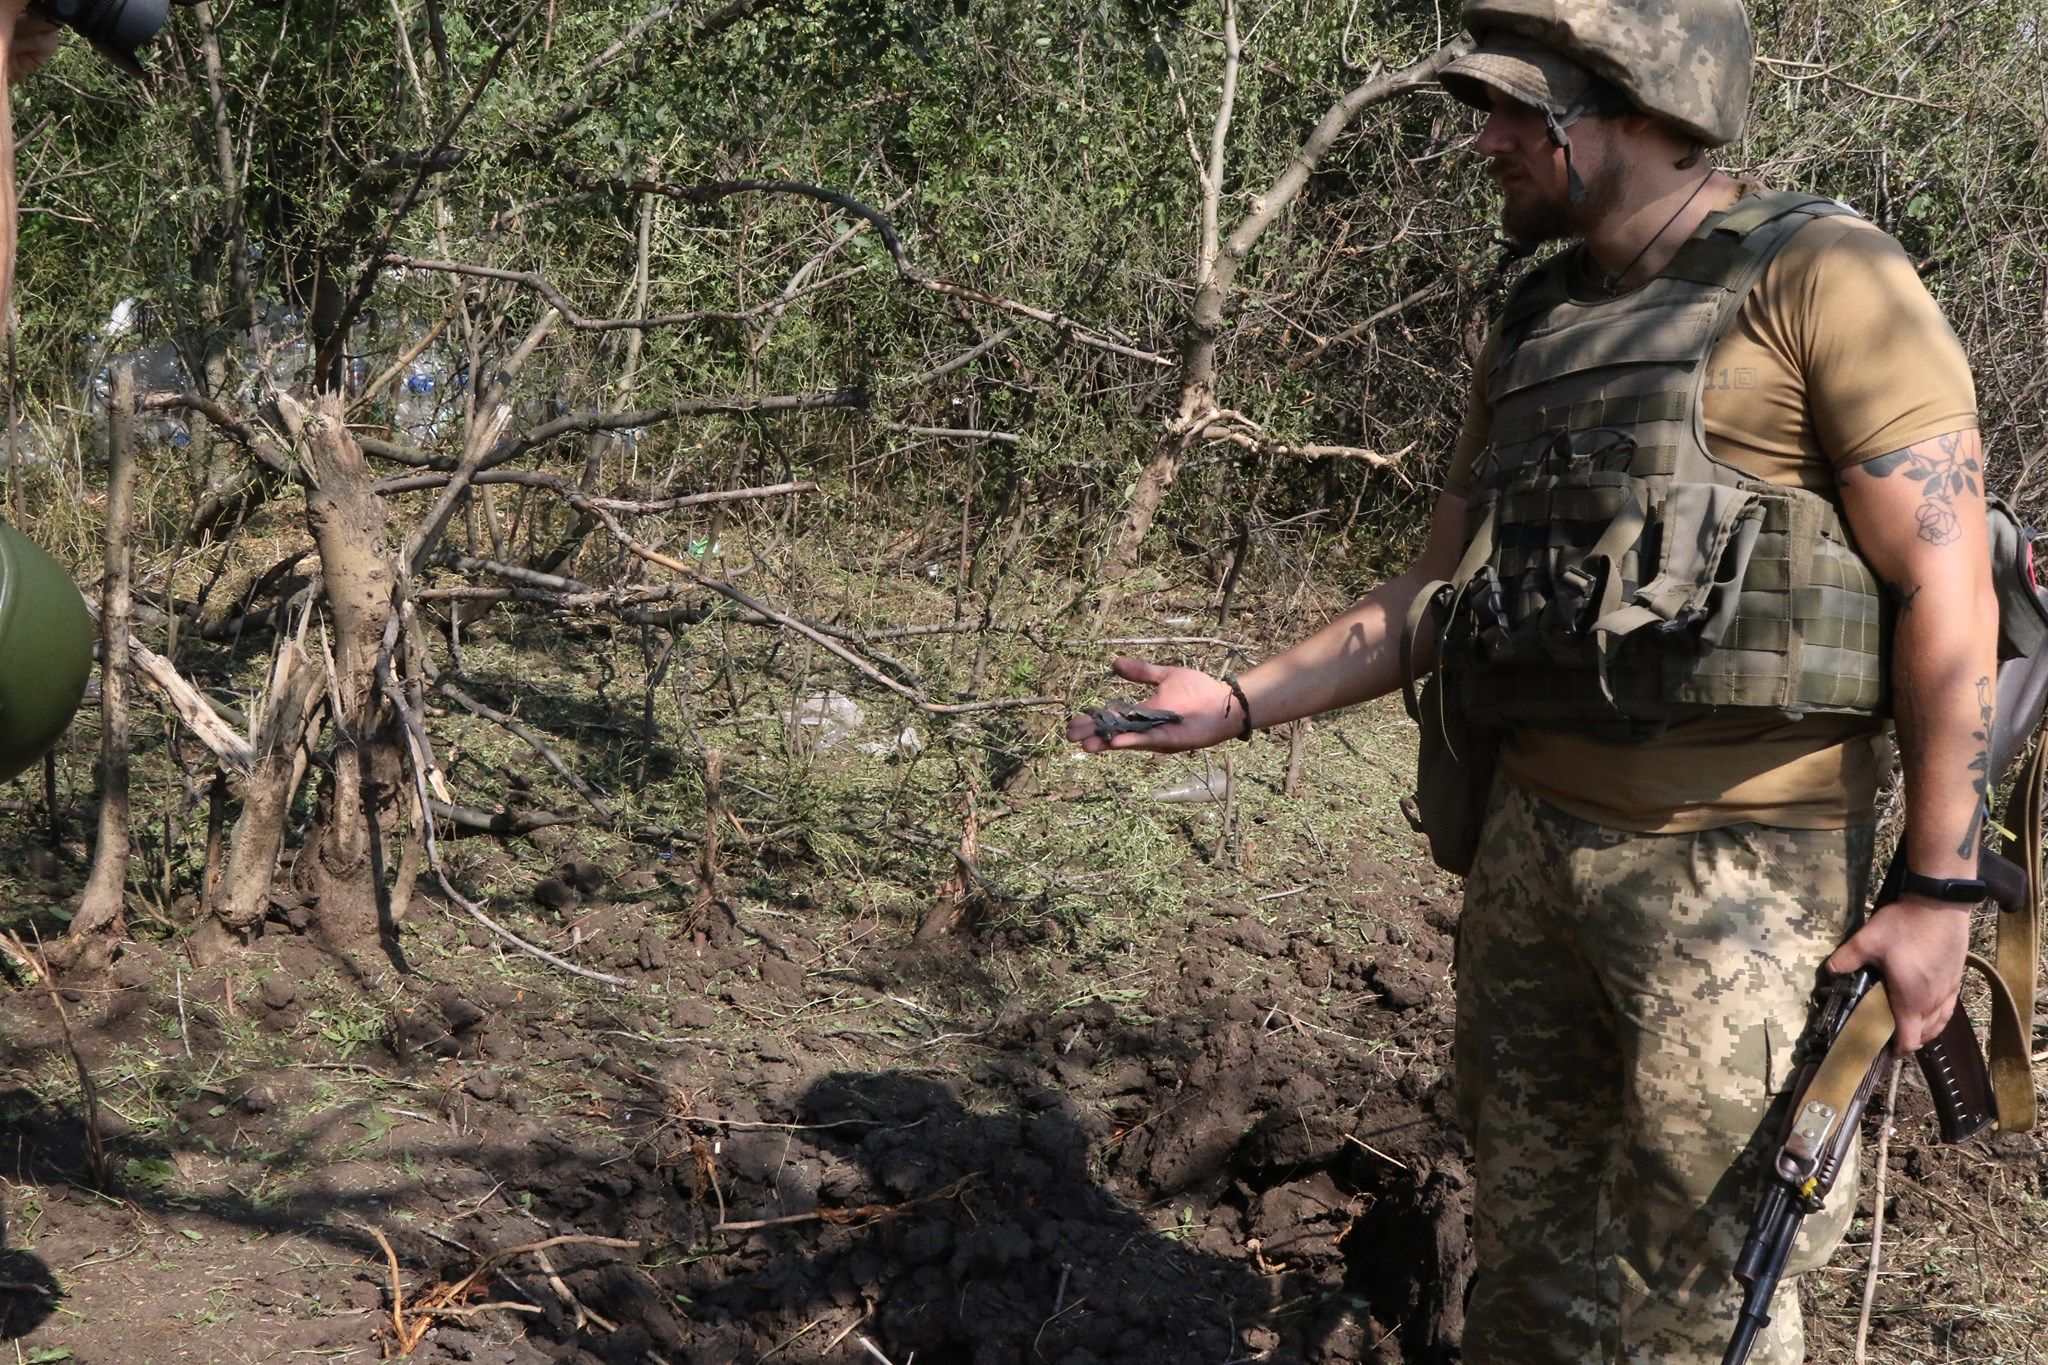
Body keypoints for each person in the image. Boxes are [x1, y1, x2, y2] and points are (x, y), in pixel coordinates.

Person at [1067, 2, 1999, 1360]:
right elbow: (1431, 595)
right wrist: (1242, 700)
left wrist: (1938, 892)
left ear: (1632, 112)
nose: (1487, 143)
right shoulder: (1537, 318)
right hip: (1532, 860)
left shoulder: (1827, 280)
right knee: (1526, 1268)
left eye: (1516, 111)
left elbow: (1950, 591)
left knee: (1699, 1296)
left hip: (1743, 871)